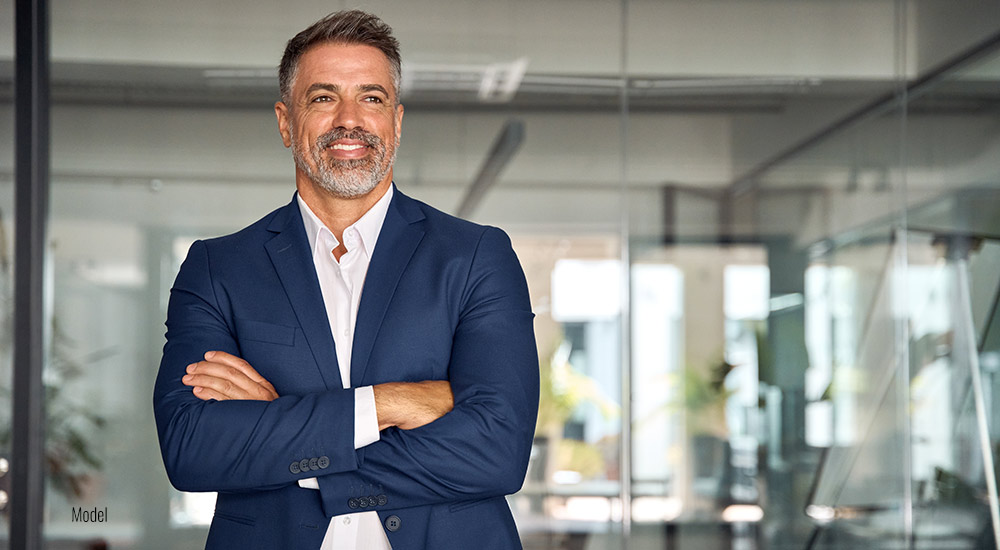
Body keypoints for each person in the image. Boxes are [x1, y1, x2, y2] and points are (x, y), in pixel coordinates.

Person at [152, 10, 539, 550]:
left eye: (372, 98)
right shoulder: (219, 268)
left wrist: (278, 427)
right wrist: (386, 404)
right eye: (323, 97)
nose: (349, 119)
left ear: (397, 122)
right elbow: (192, 448)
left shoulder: (476, 256)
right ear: (286, 122)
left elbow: (498, 450)